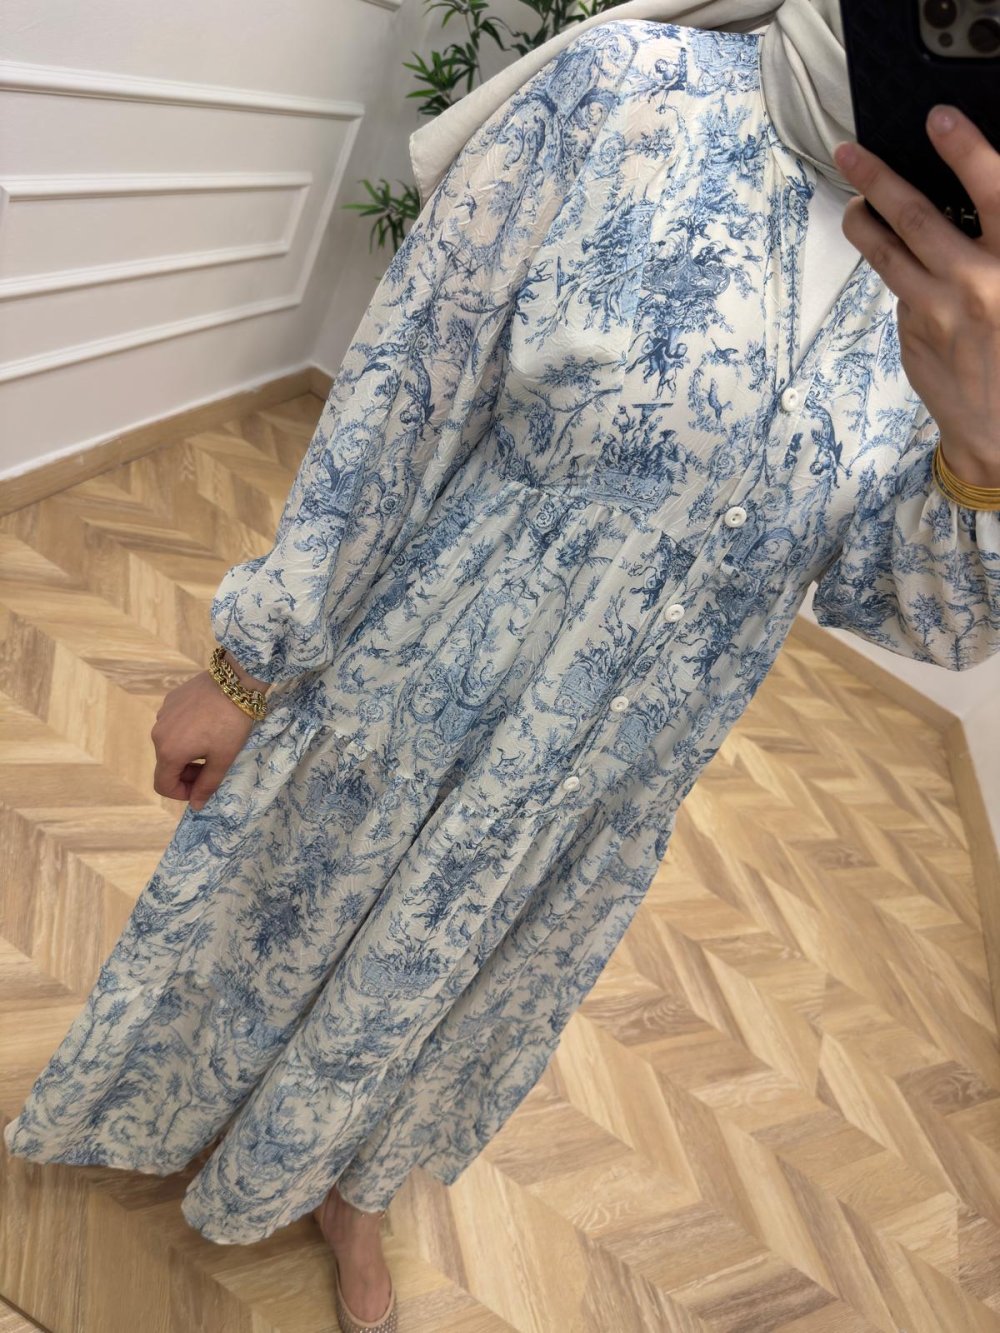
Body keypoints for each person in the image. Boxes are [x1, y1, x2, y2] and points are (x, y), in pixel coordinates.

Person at [4, 3, 999, 1328]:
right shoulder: (627, 90)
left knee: (444, 998)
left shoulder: (971, 285)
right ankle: (179, 1110)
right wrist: (247, 669)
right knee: (273, 926)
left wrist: (986, 446)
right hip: (417, 685)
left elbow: (915, 609)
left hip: (606, 781)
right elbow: (402, 401)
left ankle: (349, 1186)